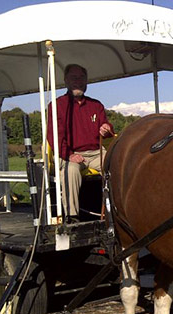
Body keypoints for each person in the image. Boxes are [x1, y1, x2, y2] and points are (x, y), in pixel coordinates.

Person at [47, 63, 114, 222]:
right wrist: (69, 155)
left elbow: (108, 128)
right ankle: (72, 216)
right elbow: (54, 136)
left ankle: (118, 210)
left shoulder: (96, 105)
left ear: (86, 81)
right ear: (66, 80)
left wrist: (106, 128)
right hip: (71, 154)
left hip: (95, 153)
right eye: (73, 77)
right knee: (71, 171)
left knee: (116, 165)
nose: (78, 81)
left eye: (81, 77)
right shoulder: (57, 106)